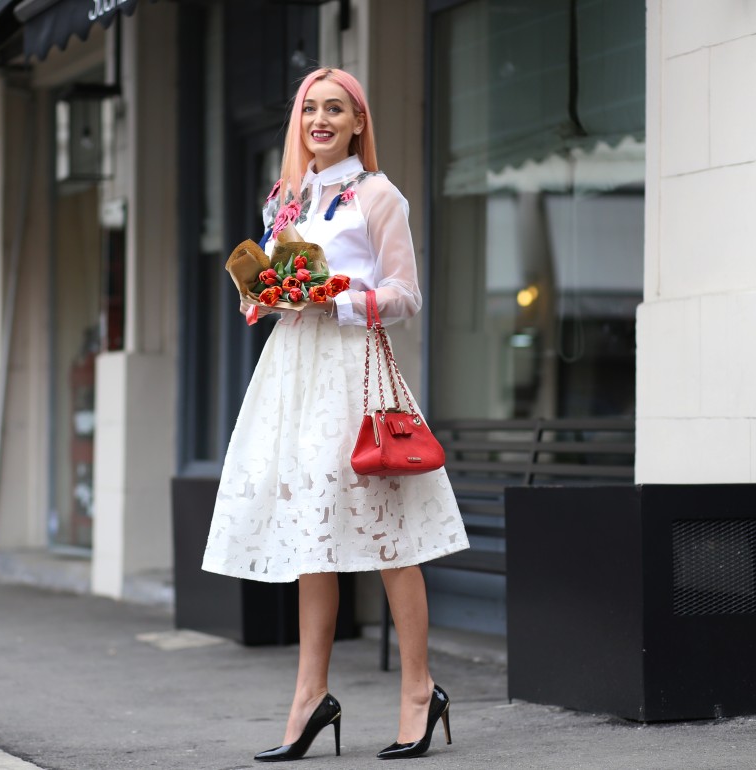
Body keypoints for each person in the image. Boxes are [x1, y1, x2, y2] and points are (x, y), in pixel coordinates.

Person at [201, 67, 469, 762]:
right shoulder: (287, 200)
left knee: (389, 540)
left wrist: (336, 299)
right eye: (309, 108)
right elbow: (268, 291)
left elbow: (406, 296)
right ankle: (308, 697)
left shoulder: (378, 195)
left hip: (353, 378)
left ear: (357, 123)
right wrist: (261, 297)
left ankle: (419, 692)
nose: (319, 119)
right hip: (292, 377)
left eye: (334, 109)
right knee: (309, 538)